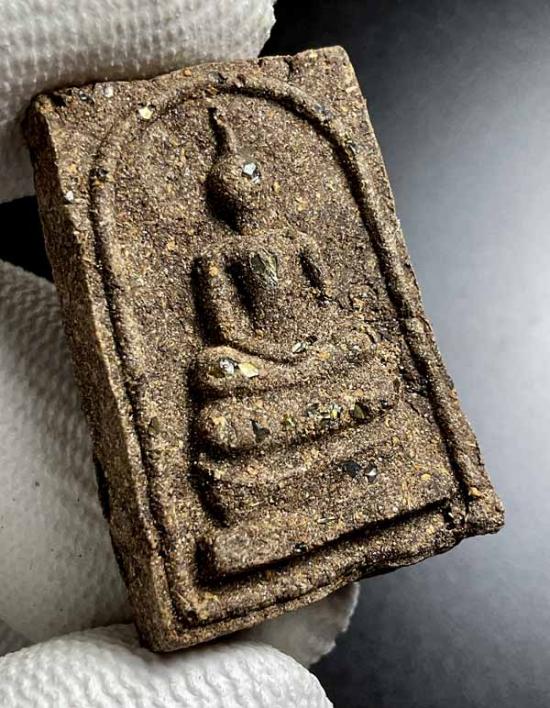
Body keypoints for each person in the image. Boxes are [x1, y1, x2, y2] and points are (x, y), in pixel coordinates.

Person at [0, 1, 357, 705]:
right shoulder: (215, 257)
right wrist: (265, 356)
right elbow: (222, 327)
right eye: (234, 189)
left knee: (363, 353)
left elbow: (331, 309)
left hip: (312, 361)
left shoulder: (296, 240)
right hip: (253, 370)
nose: (245, 200)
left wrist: (308, 348)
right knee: (212, 375)